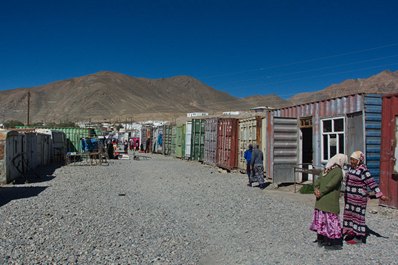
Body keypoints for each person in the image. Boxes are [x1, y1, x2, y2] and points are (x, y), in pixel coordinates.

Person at [342, 151, 388, 244]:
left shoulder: (363, 170)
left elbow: (371, 183)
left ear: (359, 160)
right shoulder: (351, 168)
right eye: (351, 159)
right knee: (350, 215)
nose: (352, 161)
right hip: (350, 198)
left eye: (354, 160)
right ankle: (352, 232)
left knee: (358, 217)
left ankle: (359, 237)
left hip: (359, 199)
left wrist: (380, 195)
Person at [310, 153, 347, 250]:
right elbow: (331, 184)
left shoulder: (325, 170)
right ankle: (333, 242)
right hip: (329, 200)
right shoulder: (338, 171)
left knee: (322, 220)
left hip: (320, 200)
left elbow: (317, 181)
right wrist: (320, 192)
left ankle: (321, 239)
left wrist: (316, 190)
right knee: (331, 221)